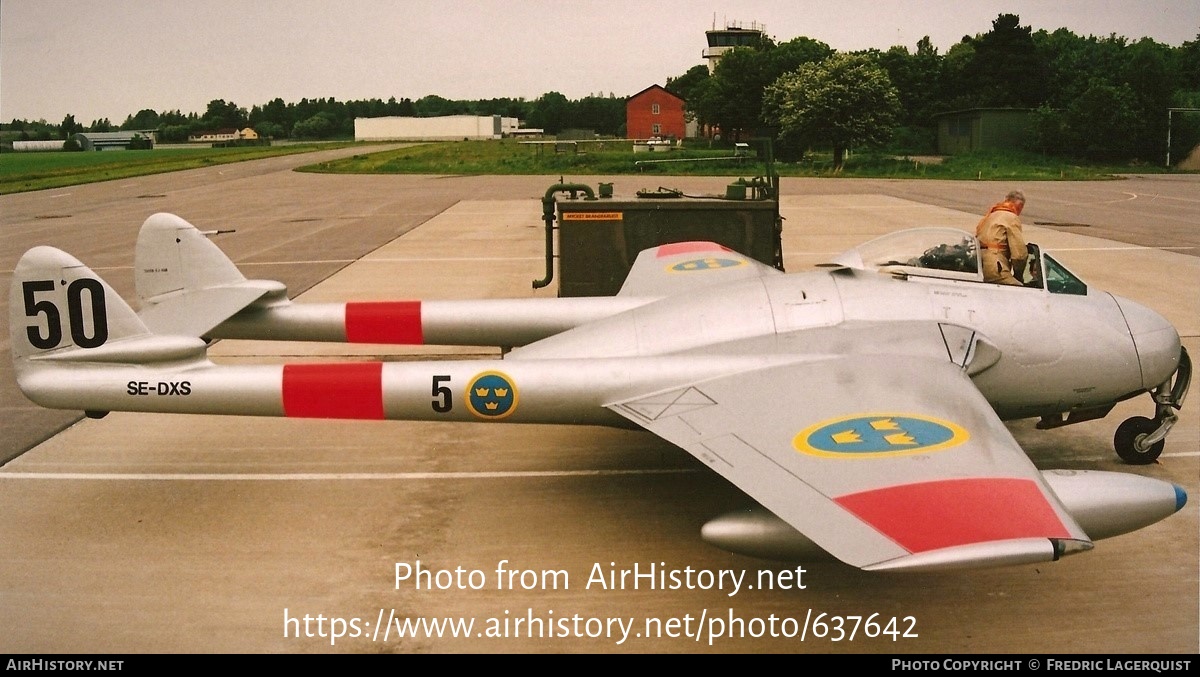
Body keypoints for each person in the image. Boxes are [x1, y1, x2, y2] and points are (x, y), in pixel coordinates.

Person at [975, 190, 1028, 286]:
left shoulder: (991, 215)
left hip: (979, 263)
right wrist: (1019, 275)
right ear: (1019, 206)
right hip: (994, 267)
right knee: (1020, 289)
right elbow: (1019, 255)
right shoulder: (1011, 217)